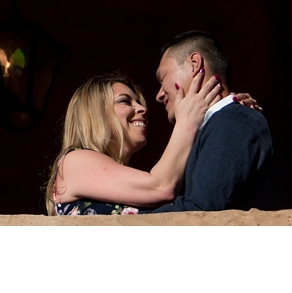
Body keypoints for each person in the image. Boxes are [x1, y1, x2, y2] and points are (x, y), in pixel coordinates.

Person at [45, 69, 228, 215]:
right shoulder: (74, 162)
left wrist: (226, 114)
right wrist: (187, 119)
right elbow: (161, 187)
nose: (142, 109)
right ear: (95, 114)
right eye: (125, 101)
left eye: (139, 102)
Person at [147, 30, 283, 212]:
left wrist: (129, 220)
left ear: (194, 64)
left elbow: (203, 210)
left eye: (162, 78)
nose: (159, 95)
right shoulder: (220, 123)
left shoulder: (232, 121)